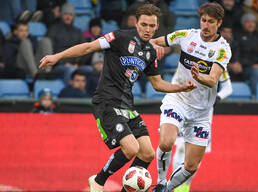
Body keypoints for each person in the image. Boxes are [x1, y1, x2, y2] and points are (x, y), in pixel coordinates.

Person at [39, 4, 197, 192]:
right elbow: (88, 47)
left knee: (147, 153)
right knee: (131, 148)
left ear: (157, 27)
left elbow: (157, 84)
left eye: (151, 26)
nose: (147, 29)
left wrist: (181, 87)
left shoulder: (151, 52)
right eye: (144, 24)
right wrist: (58, 56)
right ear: (136, 23)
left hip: (127, 106)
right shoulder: (120, 37)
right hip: (106, 102)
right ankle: (98, 181)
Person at [149, 2, 232, 192]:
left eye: (211, 22)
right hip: (178, 99)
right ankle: (161, 182)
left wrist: (198, 76)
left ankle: (166, 189)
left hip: (201, 112)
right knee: (166, 142)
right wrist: (154, 47)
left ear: (219, 23)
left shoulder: (222, 49)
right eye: (203, 20)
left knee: (191, 166)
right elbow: (154, 41)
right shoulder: (186, 36)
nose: (206, 25)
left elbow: (212, 80)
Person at [172, 70, 232, 192]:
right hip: (185, 109)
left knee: (195, 154)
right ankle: (176, 186)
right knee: (181, 147)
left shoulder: (220, 65)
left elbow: (228, 88)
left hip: (204, 115)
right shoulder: (189, 58)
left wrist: (216, 99)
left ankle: (186, 186)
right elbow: (175, 80)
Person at [229, 13, 258, 97]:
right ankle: (253, 96)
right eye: (248, 22)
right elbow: (237, 56)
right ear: (243, 24)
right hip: (244, 69)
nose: (251, 24)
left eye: (253, 22)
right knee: (255, 71)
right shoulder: (237, 36)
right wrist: (252, 65)